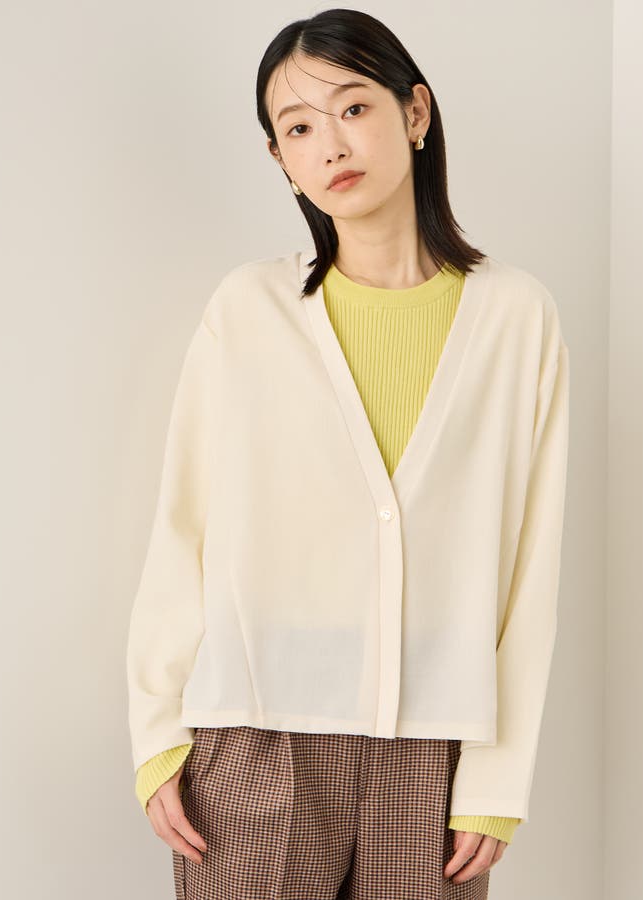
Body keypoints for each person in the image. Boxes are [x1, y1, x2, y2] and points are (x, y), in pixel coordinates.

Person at [126, 8, 570, 899]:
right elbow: (184, 524)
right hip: (254, 734)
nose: (330, 143)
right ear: (280, 159)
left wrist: (498, 779)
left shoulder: (517, 317)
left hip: (438, 752)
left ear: (415, 112)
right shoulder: (248, 310)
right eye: (298, 128)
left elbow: (533, 564)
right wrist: (157, 733)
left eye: (354, 108)